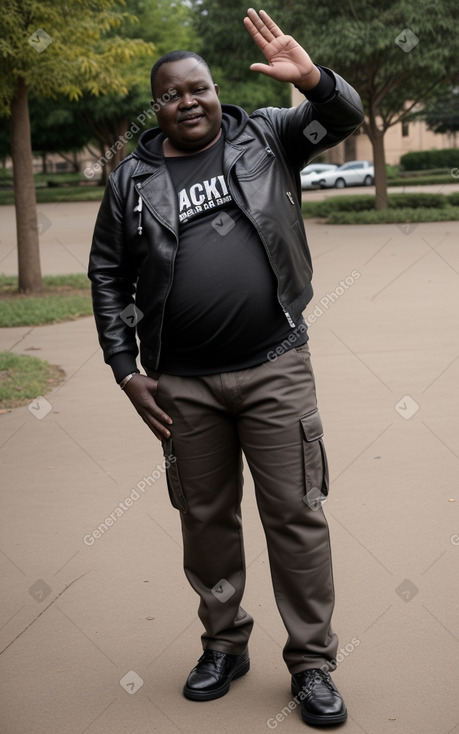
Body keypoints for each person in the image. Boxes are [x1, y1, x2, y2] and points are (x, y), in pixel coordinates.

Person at [88, 8, 364, 727]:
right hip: (180, 383)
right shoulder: (130, 181)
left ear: (216, 92)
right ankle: (223, 644)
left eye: (198, 88)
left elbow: (339, 116)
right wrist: (125, 367)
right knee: (205, 521)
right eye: (173, 93)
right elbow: (108, 277)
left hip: (274, 363)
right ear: (159, 106)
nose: (188, 101)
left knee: (296, 515)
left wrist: (311, 79)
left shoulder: (267, 136)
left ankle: (311, 663)